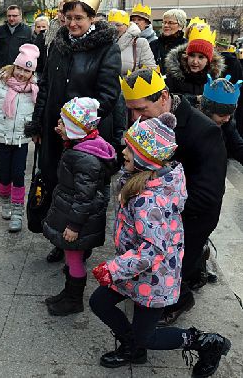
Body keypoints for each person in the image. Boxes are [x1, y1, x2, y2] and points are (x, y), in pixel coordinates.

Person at [90, 113, 231, 377]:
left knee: (148, 336)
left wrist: (114, 268)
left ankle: (206, 343)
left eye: (129, 149)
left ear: (145, 158)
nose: (123, 151)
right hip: (136, 270)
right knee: (100, 302)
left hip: (153, 277)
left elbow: (153, 250)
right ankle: (133, 346)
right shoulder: (143, 181)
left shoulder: (149, 200)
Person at [121, 68, 227, 325]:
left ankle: (180, 299)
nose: (135, 118)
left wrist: (160, 204)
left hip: (189, 216)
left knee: (168, 268)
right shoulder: (144, 120)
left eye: (141, 109)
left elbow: (209, 195)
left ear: (164, 97)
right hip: (153, 209)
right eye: (131, 110)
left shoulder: (204, 132)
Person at [28, 0, 121, 263]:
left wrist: (80, 126)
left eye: (79, 18)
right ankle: (60, 238)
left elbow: (107, 95)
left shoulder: (107, 49)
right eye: (68, 18)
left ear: (92, 19)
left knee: (81, 188)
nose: (72, 23)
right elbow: (45, 85)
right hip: (55, 130)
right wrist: (37, 124)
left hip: (85, 138)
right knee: (58, 184)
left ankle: (81, 240)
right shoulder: (58, 45)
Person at [42, 97, 116, 316]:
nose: (58, 127)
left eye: (63, 124)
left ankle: (74, 300)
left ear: (75, 129)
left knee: (74, 258)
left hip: (79, 220)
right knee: (71, 256)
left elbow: (84, 197)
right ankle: (68, 292)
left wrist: (74, 225)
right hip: (76, 215)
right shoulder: (84, 147)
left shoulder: (84, 158)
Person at [0, 44, 40, 232]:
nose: (22, 74)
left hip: (21, 140)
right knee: (5, 173)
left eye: (27, 70)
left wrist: (37, 132)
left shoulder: (34, 91)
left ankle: (17, 210)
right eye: (20, 68)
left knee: (18, 174)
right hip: (2, 137)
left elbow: (38, 115)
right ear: (14, 66)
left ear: (32, 72)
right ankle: (4, 201)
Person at [108, 9, 156, 156]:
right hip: (109, 92)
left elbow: (150, 69)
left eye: (118, 25)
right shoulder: (105, 42)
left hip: (132, 93)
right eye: (111, 25)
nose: (115, 28)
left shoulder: (140, 43)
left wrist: (129, 81)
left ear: (126, 25)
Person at [165, 22, 224, 104]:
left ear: (208, 61)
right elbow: (167, 100)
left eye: (201, 57)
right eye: (192, 56)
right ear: (186, 56)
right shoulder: (173, 77)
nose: (195, 61)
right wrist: (194, 99)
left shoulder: (214, 81)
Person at [198, 76, 243, 164]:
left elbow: (238, 146)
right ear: (207, 111)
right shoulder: (192, 124)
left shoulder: (228, 124)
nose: (227, 119)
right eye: (221, 115)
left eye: (229, 115)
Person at [0, 5, 33, 82]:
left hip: (20, 72)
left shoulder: (28, 31)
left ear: (20, 16)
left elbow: (31, 54)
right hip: (2, 70)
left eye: (14, 16)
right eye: (9, 16)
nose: (11, 18)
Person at [150, 9, 187, 74]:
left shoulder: (186, 46)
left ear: (181, 25)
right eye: (164, 22)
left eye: (170, 23)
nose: (166, 25)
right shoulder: (153, 44)